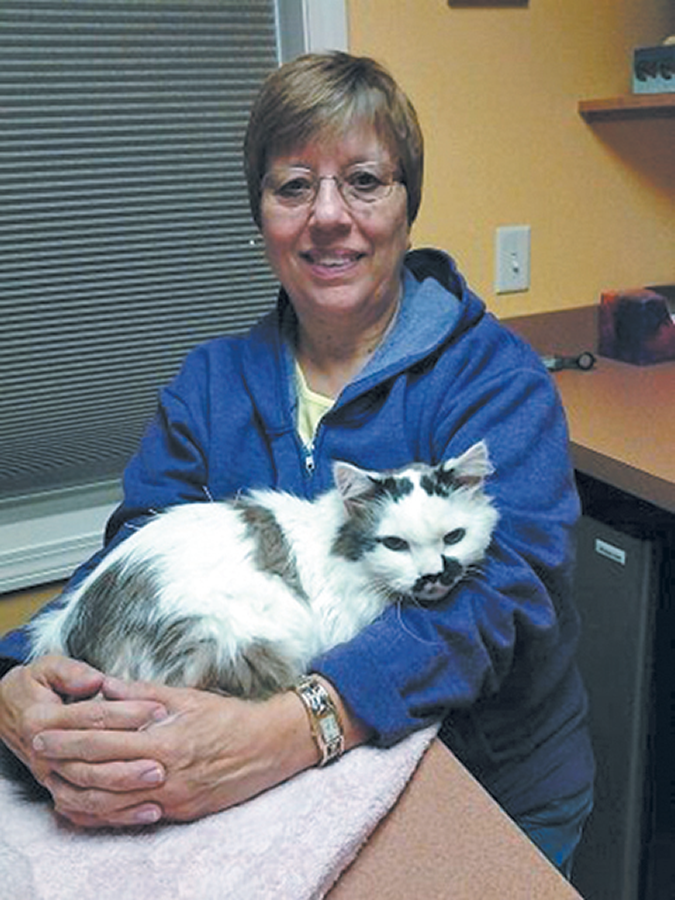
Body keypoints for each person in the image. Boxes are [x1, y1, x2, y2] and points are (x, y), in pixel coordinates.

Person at [0, 52, 593, 874]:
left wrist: (300, 722)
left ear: (406, 205)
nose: (327, 216)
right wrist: (23, 673)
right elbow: (137, 552)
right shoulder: (210, 381)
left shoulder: (493, 378)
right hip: (286, 798)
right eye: (292, 187)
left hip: (485, 786)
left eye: (362, 181)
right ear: (260, 216)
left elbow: (503, 599)